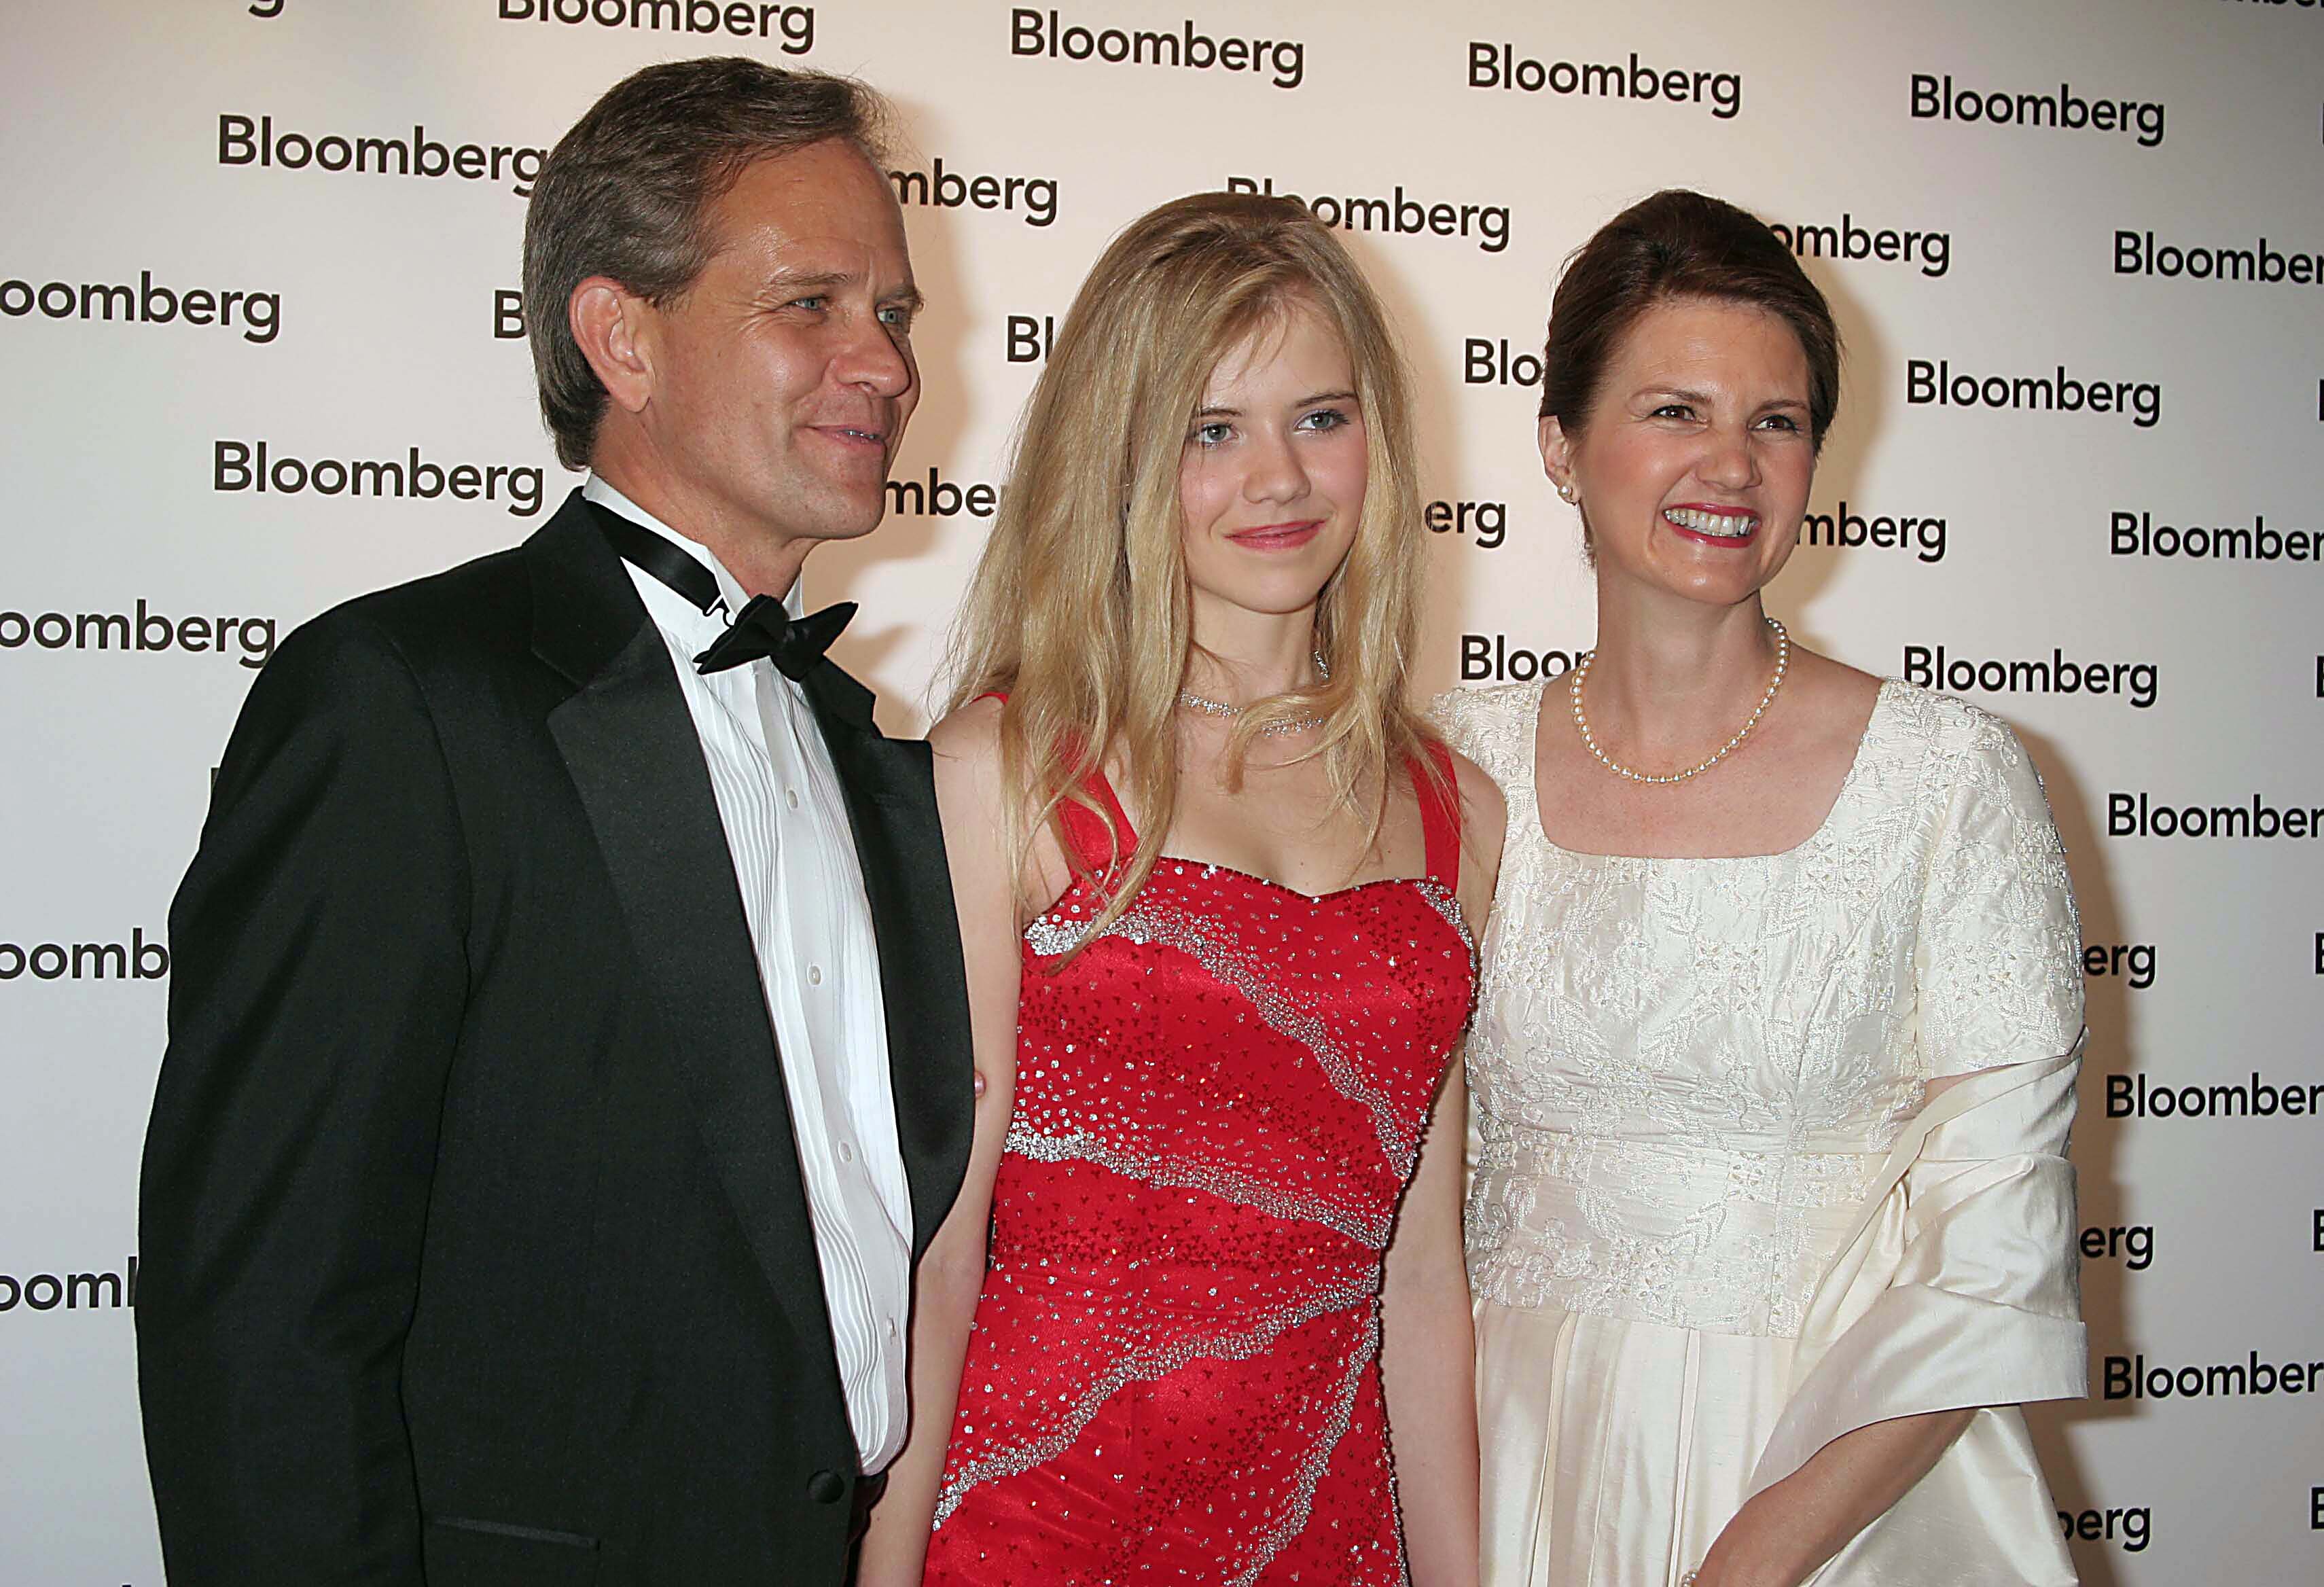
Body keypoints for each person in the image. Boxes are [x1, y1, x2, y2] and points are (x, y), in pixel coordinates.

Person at [136, 58, 972, 1587]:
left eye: (897, 314)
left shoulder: (873, 751)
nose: (886, 364)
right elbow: (261, 1313)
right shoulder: (399, 703)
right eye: (811, 305)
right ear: (621, 336)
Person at [1436, 190, 2086, 1587]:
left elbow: (1988, 1256)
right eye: (1674, 410)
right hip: (1505, 1470)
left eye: (1775, 422)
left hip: (1837, 1494)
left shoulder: (1951, 781)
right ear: (1558, 444)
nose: (1729, 466)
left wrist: (1738, 1573)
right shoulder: (1445, 769)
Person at [853, 192, 1502, 1587]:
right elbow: (940, 1255)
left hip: (1326, 1532)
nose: (1279, 478)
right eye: (1214, 431)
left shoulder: (1457, 815)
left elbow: (1422, 1285)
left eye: (1320, 418)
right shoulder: (1009, 765)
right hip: (1037, 1525)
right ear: (1126, 456)